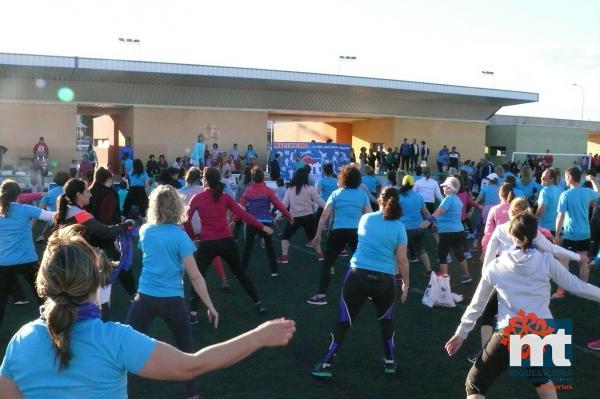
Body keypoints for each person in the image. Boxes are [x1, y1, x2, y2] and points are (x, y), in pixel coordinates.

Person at [0, 225, 296, 398]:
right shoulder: (114, 340)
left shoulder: (21, 340)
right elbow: (191, 366)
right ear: (94, 286)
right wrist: (257, 337)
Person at [445, 213, 600, 399]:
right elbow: (578, 287)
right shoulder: (546, 261)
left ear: (511, 235)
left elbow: (477, 305)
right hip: (542, 330)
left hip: (512, 330)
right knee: (538, 376)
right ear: (535, 236)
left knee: (475, 384)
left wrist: (461, 334)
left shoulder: (496, 265)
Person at [126, 185, 219, 398]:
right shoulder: (180, 237)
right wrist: (210, 305)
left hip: (144, 299)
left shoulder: (145, 231)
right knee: (186, 350)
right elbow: (195, 276)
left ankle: (110, 388)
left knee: (125, 344)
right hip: (172, 301)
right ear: (177, 207)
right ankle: (192, 393)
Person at [312, 187, 409, 378]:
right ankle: (390, 362)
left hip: (357, 275)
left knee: (344, 320)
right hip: (384, 279)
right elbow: (402, 260)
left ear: (379, 201)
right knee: (386, 320)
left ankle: (326, 363)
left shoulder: (366, 219)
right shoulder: (399, 227)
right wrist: (406, 284)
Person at [184, 167, 272, 314]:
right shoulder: (224, 197)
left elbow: (186, 220)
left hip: (207, 243)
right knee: (240, 273)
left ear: (204, 180)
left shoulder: (198, 198)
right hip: (227, 242)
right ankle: (258, 303)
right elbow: (243, 215)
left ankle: (193, 313)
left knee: (198, 277)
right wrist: (262, 227)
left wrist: (193, 237)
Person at [308, 165, 372, 305]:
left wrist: (318, 234)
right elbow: (369, 215)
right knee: (362, 263)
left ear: (342, 178)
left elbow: (325, 215)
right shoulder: (362, 194)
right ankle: (368, 292)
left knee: (328, 263)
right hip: (357, 232)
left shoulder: (336, 194)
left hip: (338, 231)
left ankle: (321, 295)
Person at [0, 180, 54, 331]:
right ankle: (55, 327)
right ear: (19, 195)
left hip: (3, 263)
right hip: (28, 261)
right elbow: (52, 216)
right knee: (44, 297)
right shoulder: (26, 210)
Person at [240, 166, 293, 276]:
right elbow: (278, 205)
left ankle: (242, 270)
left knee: (248, 247)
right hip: (266, 222)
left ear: (252, 179)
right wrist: (288, 216)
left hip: (252, 222)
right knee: (269, 247)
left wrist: (234, 219)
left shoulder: (248, 191)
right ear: (263, 178)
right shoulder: (268, 190)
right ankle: (274, 271)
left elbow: (240, 207)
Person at [421, 176, 473, 284]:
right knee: (459, 253)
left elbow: (439, 211)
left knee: (442, 255)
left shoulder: (448, 199)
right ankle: (467, 275)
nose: (443, 189)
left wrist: (429, 221)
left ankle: (444, 281)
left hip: (447, 232)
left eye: (444, 187)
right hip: (458, 231)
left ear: (449, 188)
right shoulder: (457, 200)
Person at [555, 167, 600, 284]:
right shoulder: (586, 192)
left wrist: (556, 235)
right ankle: (583, 288)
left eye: (565, 177)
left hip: (571, 234)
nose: (564, 179)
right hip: (585, 234)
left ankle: (562, 290)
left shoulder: (565, 194)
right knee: (583, 262)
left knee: (564, 260)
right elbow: (598, 193)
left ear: (570, 178)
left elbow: (560, 216)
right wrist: (593, 181)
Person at [278, 168, 326, 264]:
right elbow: (320, 202)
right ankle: (320, 254)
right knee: (313, 236)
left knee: (285, 236)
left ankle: (284, 256)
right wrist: (330, 208)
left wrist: (278, 216)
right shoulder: (310, 188)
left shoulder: (290, 189)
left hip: (294, 218)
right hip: (308, 216)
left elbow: (284, 205)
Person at [397, 175, 432, 274]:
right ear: (413, 185)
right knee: (422, 250)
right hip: (419, 228)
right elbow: (425, 212)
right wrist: (432, 222)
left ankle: (399, 274)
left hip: (404, 229)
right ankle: (428, 271)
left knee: (400, 252)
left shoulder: (399, 197)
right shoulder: (419, 197)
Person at [535, 168, 561, 235]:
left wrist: (534, 220)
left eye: (544, 178)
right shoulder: (559, 190)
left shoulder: (544, 191)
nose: (541, 179)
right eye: (541, 177)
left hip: (544, 229)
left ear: (552, 179)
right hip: (555, 228)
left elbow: (541, 209)